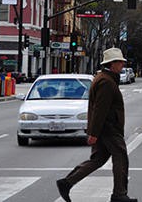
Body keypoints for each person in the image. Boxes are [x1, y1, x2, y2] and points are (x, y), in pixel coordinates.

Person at [56, 48, 137, 202]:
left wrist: (94, 131)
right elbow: (100, 109)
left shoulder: (105, 79)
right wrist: (93, 133)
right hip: (109, 128)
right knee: (120, 157)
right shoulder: (106, 82)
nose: (122, 65)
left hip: (104, 128)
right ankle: (119, 195)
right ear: (112, 64)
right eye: (120, 62)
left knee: (98, 159)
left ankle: (67, 183)